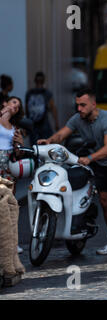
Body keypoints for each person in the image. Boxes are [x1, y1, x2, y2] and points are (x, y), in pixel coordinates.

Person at [38, 88, 107, 256]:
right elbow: (62, 133)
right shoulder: (78, 119)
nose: (79, 109)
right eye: (77, 105)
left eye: (83, 105)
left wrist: (89, 158)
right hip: (101, 163)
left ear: (93, 104)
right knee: (105, 201)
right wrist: (49, 141)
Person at [0, 97, 26, 254]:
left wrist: (21, 142)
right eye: (14, 102)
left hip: (9, 165)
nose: (16, 106)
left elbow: (19, 153)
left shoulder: (15, 128)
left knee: (10, 205)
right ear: (5, 103)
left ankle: (12, 243)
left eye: (19, 105)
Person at [25, 72, 60, 145]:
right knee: (46, 144)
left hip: (32, 124)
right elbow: (53, 107)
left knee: (34, 146)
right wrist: (56, 122)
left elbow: (26, 109)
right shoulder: (47, 93)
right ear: (44, 81)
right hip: (44, 124)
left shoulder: (29, 93)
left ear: (35, 80)